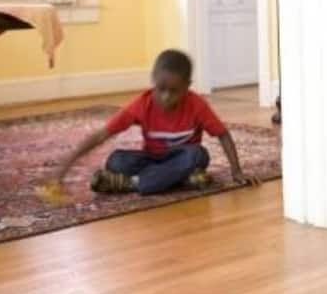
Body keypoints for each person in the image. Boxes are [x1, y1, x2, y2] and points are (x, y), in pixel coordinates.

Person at [54, 49, 261, 195]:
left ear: (187, 87)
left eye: (174, 91)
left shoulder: (197, 104)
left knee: (196, 155)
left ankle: (134, 184)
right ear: (153, 79)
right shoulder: (142, 104)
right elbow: (102, 134)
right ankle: (181, 180)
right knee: (116, 160)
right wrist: (65, 166)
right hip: (152, 159)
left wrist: (236, 171)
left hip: (183, 156)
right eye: (160, 88)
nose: (165, 97)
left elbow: (222, 134)